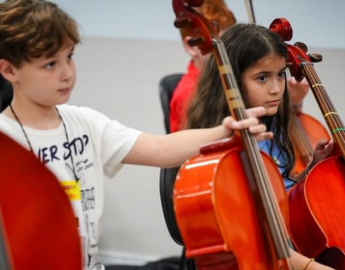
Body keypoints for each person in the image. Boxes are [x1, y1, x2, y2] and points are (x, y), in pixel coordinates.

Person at [0, 1, 271, 269]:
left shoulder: (84, 122)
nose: (66, 73)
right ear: (10, 70)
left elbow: (160, 149)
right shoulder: (6, 141)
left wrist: (224, 131)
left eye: (69, 57)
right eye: (50, 64)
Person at [183, 23, 334, 269]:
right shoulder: (222, 149)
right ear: (231, 82)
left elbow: (279, 197)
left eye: (280, 74)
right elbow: (262, 238)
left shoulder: (271, 124)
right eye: (262, 77)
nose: (276, 88)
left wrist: (311, 170)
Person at [169, 0, 236, 133]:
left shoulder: (226, 78)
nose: (228, 52)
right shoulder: (188, 94)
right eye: (218, 45)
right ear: (192, 46)